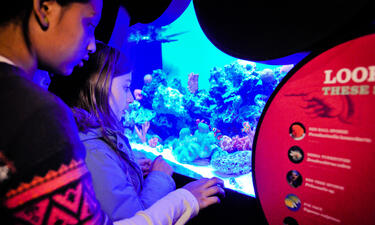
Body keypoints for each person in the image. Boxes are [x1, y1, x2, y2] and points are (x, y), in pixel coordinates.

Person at [0, 0, 223, 224]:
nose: (92, 46)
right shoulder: (38, 114)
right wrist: (185, 199)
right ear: (44, 8)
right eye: (88, 23)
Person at [50, 41, 225, 222]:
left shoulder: (93, 139)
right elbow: (134, 219)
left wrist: (126, 168)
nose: (131, 99)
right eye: (125, 87)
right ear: (96, 88)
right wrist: (160, 178)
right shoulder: (94, 153)